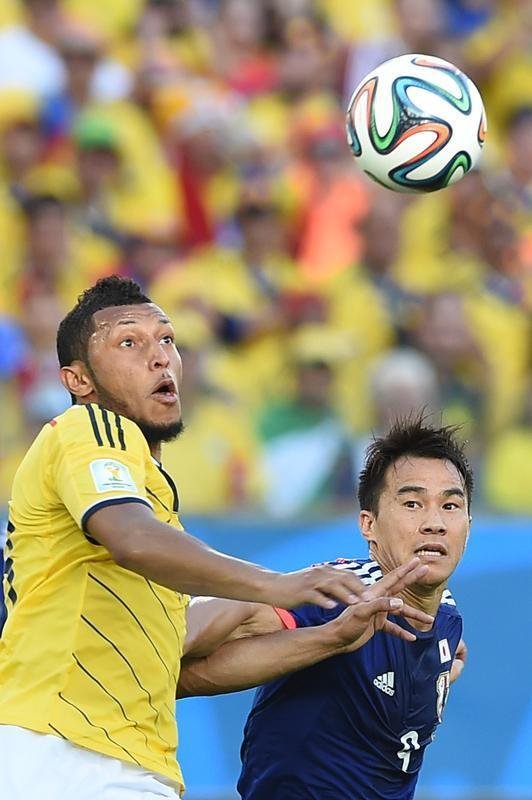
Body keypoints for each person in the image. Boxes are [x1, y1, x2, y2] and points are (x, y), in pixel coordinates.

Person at [0, 275, 418, 800]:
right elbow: (132, 539)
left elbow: (187, 667)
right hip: (62, 750)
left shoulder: (156, 513)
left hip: (119, 757)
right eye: (129, 343)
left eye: (167, 340)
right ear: (78, 380)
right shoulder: (88, 429)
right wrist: (277, 584)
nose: (160, 358)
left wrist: (331, 637)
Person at [178, 418, 471, 800]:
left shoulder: (445, 622)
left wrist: (445, 668)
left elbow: (433, 664)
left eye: (450, 505)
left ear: (468, 523)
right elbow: (207, 635)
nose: (435, 523)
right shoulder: (345, 594)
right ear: (369, 524)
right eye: (412, 504)